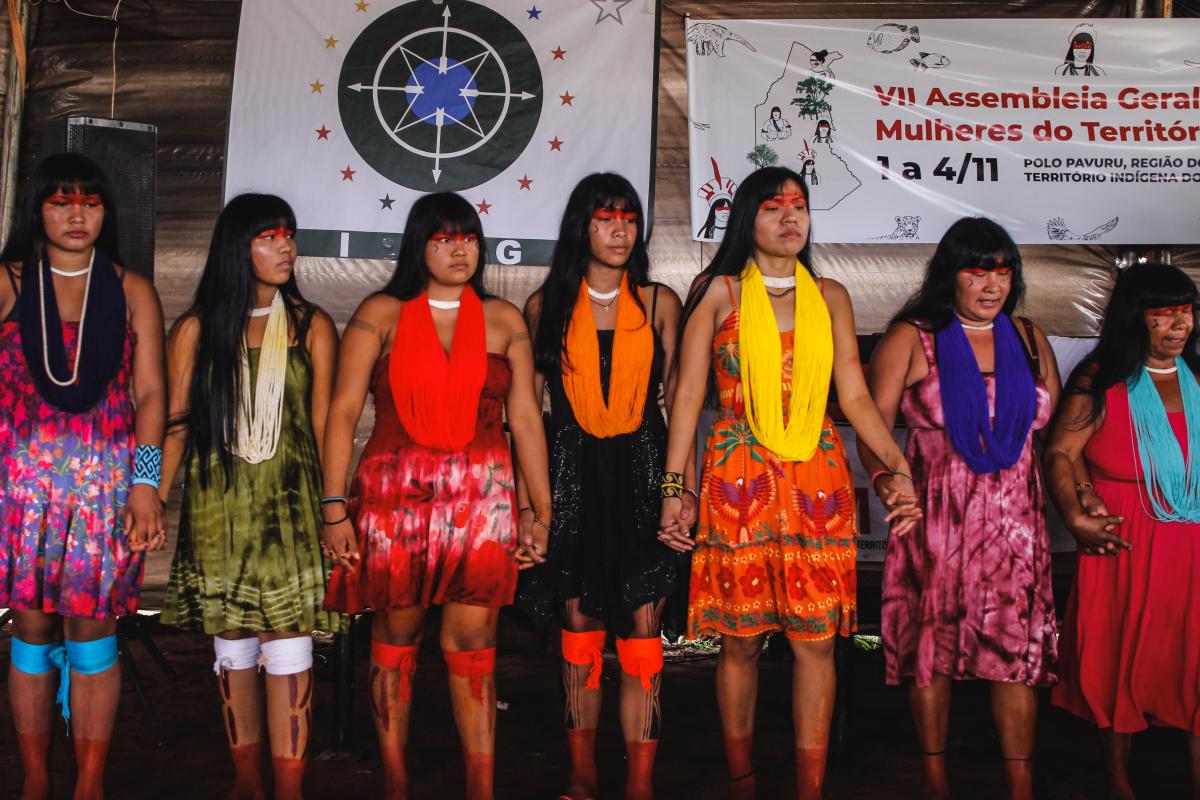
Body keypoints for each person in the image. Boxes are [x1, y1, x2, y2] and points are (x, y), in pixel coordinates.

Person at [658, 166, 919, 800]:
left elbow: (854, 397)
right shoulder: (717, 291)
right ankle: (742, 782)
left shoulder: (829, 294)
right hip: (736, 475)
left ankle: (810, 789)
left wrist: (896, 469)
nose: (790, 217)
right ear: (747, 218)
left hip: (816, 478)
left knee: (815, 641)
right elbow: (687, 396)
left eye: (799, 206)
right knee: (741, 643)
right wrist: (675, 489)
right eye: (775, 207)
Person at [319, 192, 551, 800]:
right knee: (395, 639)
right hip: (394, 502)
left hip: (484, 505)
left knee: (473, 644)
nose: (459, 248)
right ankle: (395, 780)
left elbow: (526, 420)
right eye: (444, 237)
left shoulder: (504, 320)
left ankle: (481, 786)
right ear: (418, 244)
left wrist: (537, 512)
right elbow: (342, 413)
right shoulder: (383, 312)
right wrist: (333, 508)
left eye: (468, 237)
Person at [859, 217, 1060, 800]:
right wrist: (884, 479)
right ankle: (934, 778)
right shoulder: (912, 337)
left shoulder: (1027, 336)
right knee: (933, 646)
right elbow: (873, 427)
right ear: (951, 274)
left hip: (1017, 522)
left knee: (1016, 652)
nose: (992, 282)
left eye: (1002, 269)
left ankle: (1020, 784)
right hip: (937, 519)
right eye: (977, 269)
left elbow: (1051, 427)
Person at [158, 194, 345, 799]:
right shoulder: (195, 328)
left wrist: (333, 508)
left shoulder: (312, 324)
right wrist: (152, 495)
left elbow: (324, 427)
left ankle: (287, 789)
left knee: (288, 640)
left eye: (288, 235)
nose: (285, 247)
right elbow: (175, 422)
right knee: (233, 641)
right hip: (220, 509)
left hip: (290, 505)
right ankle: (246, 783)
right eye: (269, 236)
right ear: (238, 247)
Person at [0, 152, 166, 799]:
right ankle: (37, 777)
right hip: (20, 491)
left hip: (105, 489)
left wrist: (145, 484)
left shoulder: (130, 290)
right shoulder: (11, 284)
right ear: (36, 209)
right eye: (61, 201)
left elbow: (152, 392)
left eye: (91, 202)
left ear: (106, 212)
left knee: (94, 624)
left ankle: (89, 782)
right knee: (32, 623)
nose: (76, 214)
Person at [515, 173, 681, 800]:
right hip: (570, 475)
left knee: (642, 632)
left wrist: (677, 487)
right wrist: (533, 505)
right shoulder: (545, 305)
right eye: (606, 218)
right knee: (578, 631)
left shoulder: (659, 301)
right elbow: (528, 413)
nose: (620, 230)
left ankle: (640, 783)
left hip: (641, 475)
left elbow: (682, 403)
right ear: (581, 226)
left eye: (630, 219)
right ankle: (582, 775)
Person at [1045, 263, 1200, 800]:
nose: (1180, 324)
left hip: (1191, 539)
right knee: (1121, 651)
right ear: (1137, 319)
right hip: (1125, 538)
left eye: (1187, 311)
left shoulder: (1198, 377)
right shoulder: (1101, 381)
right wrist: (1076, 510)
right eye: (1165, 313)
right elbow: (1061, 453)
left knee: (1193, 654)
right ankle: (1118, 778)